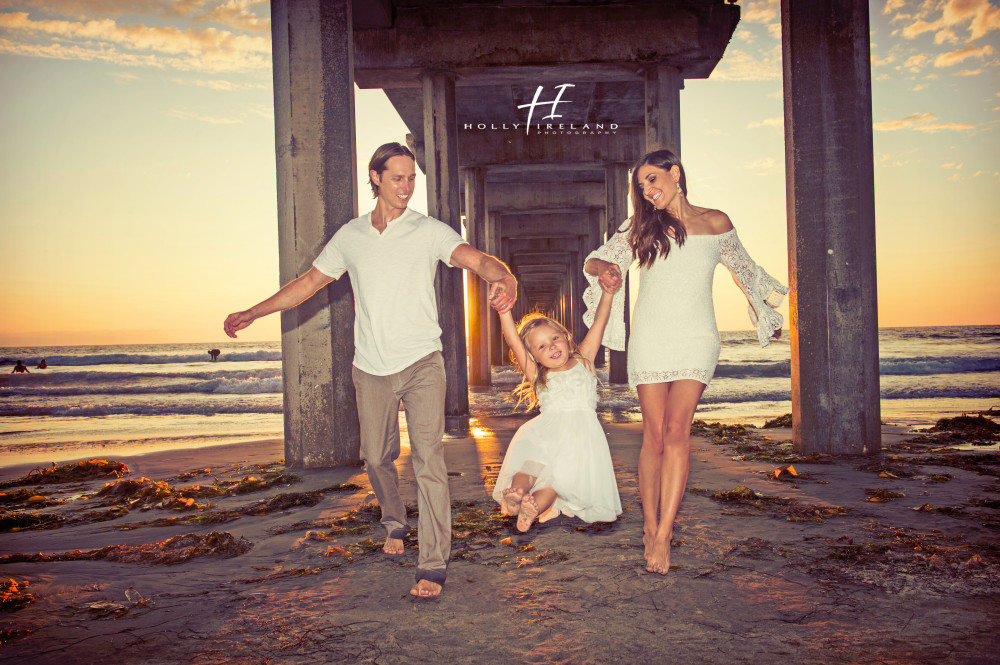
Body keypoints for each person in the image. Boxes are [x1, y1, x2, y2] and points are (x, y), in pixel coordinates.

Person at [224, 142, 517, 598]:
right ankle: (395, 522)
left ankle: (433, 563)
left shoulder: (428, 231)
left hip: (422, 361)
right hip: (372, 366)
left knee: (428, 460)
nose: (406, 186)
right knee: (376, 457)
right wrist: (253, 312)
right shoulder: (352, 237)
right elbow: (307, 284)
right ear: (376, 178)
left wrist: (505, 276)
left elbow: (476, 259)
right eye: (397, 177)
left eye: (411, 178)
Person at [583, 149, 787, 575]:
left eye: (654, 180)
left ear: (676, 173)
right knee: (653, 436)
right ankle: (650, 524)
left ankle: (663, 535)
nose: (649, 191)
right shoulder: (641, 227)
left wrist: (767, 310)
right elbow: (594, 260)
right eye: (642, 186)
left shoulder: (716, 223)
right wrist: (606, 270)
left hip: (697, 339)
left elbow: (745, 271)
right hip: (651, 338)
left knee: (678, 431)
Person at [492, 280, 623, 533]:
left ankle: (530, 510)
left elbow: (599, 322)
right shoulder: (537, 373)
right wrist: (504, 310)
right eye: (541, 346)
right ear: (533, 357)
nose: (551, 346)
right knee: (529, 467)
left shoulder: (584, 359)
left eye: (554, 338)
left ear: (566, 336)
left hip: (577, 443)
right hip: (544, 434)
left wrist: (608, 293)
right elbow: (514, 341)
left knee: (554, 486)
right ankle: (517, 493)